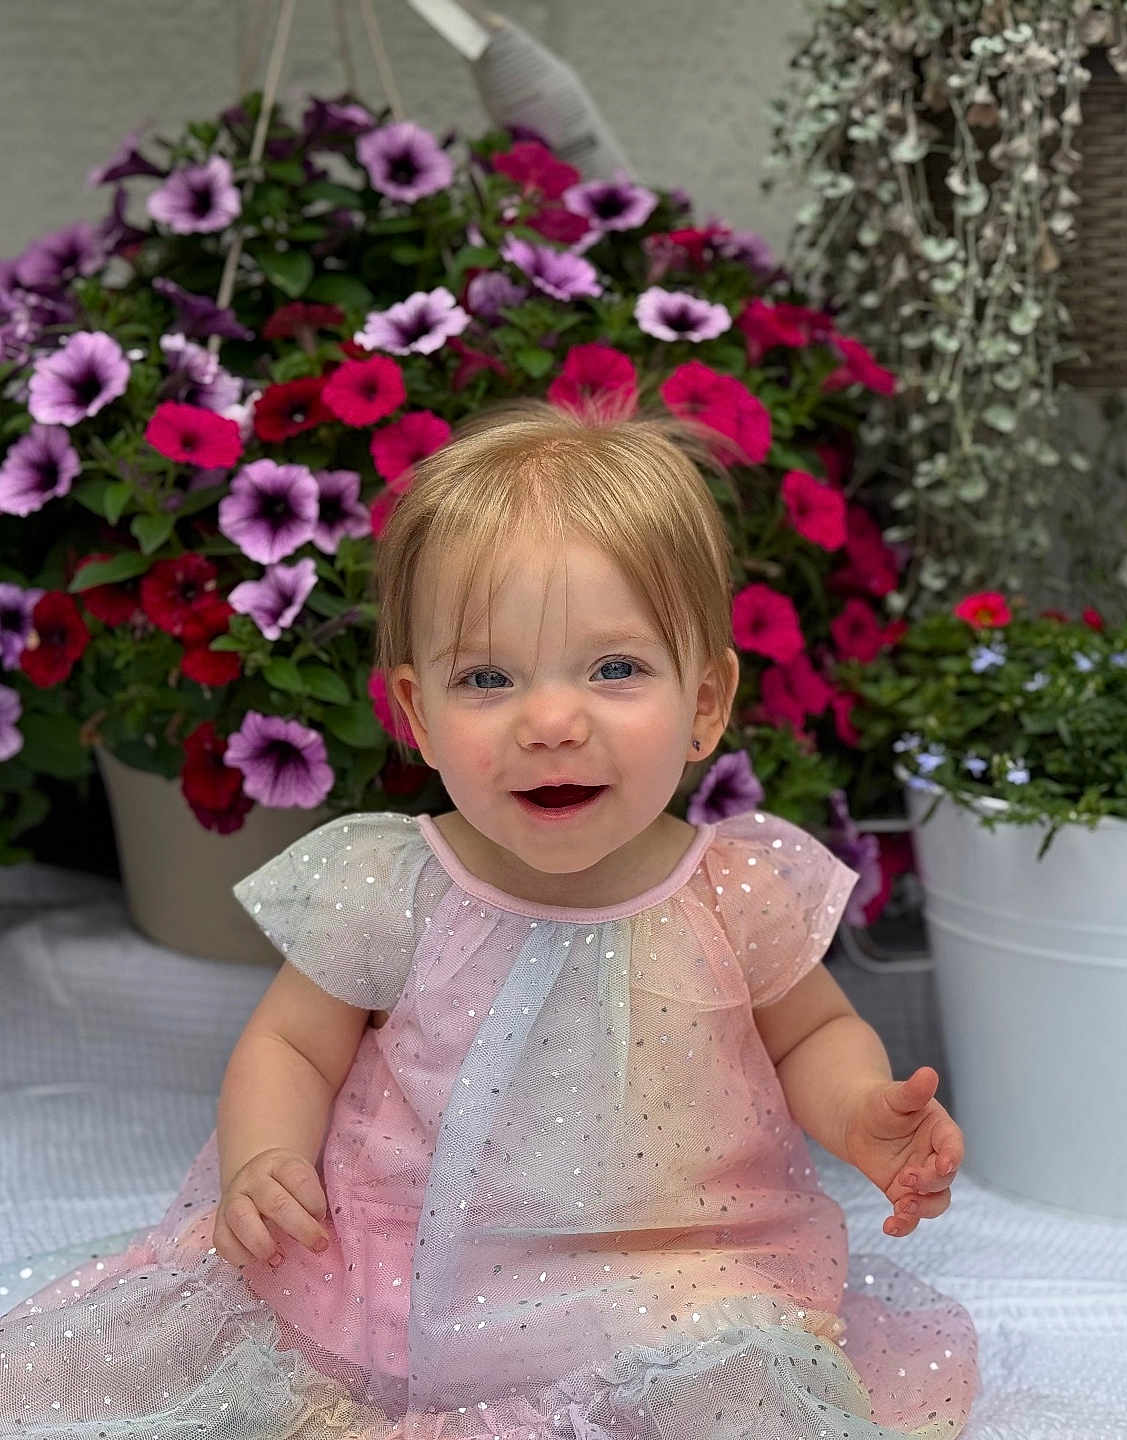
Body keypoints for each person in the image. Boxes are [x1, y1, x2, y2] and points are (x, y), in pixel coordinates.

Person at [0, 402, 978, 1438]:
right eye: (488, 677)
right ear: (417, 714)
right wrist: (262, 1159)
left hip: (679, 1268)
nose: (550, 721)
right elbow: (292, 1043)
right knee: (279, 1375)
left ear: (706, 701)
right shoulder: (397, 887)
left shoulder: (734, 891)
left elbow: (815, 1032)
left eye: (615, 669)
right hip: (411, 1268)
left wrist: (863, 1108)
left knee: (738, 1378)